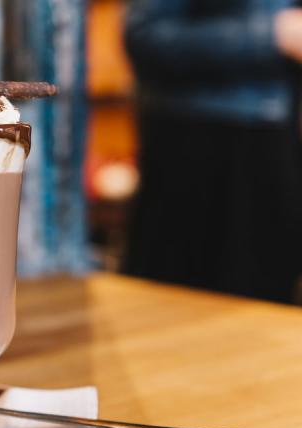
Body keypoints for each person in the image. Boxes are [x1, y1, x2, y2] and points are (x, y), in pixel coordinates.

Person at [123, 1, 302, 303]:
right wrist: (271, 33)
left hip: (278, 142)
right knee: (179, 303)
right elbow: (145, 36)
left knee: (268, 302)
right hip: (201, 149)